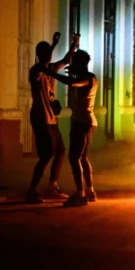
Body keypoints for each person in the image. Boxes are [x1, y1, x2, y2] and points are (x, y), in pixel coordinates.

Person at [26, 32, 79, 204]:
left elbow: (66, 58)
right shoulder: (37, 71)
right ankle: (32, 189)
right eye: (46, 52)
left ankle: (52, 186)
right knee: (46, 154)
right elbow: (40, 69)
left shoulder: (50, 69)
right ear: (40, 55)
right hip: (41, 118)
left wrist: (74, 43)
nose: (49, 55)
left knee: (61, 151)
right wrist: (53, 45)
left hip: (51, 119)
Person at [42, 50, 99, 206]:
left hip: (82, 122)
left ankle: (80, 194)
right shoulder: (87, 77)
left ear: (81, 64)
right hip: (87, 121)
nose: (72, 65)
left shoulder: (88, 78)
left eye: (74, 62)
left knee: (74, 158)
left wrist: (49, 73)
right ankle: (89, 190)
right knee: (83, 158)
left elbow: (72, 83)